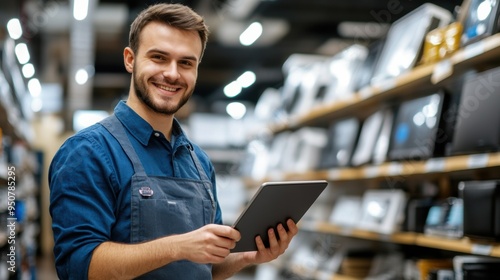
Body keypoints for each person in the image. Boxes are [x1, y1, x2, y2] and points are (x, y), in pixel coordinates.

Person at [49, 3, 298, 279]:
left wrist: (245, 257)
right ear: (130, 59)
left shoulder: (199, 161)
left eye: (186, 63)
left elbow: (204, 268)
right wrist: (177, 247)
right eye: (158, 57)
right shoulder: (87, 152)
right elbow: (78, 267)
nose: (172, 73)